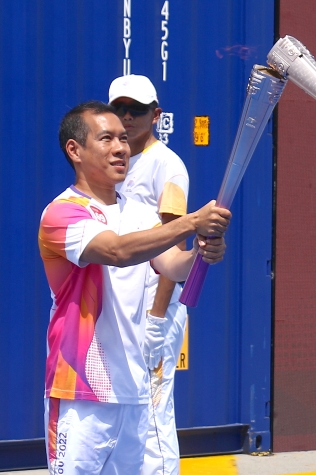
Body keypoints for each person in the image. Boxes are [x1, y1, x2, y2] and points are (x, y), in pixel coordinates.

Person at [38, 101, 231, 475]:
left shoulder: (141, 214)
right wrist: (191, 222)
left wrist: (201, 252)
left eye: (123, 139)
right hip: (82, 391)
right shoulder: (63, 212)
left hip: (133, 386)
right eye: (106, 139)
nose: (120, 148)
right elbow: (117, 251)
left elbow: (172, 265)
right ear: (75, 150)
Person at [107, 75, 189, 475]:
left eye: (136, 110)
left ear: (155, 115)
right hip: (124, 308)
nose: (127, 117)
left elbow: (173, 245)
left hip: (156, 310)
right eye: (119, 109)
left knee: (155, 408)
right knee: (130, 408)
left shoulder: (167, 166)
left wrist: (157, 319)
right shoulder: (114, 163)